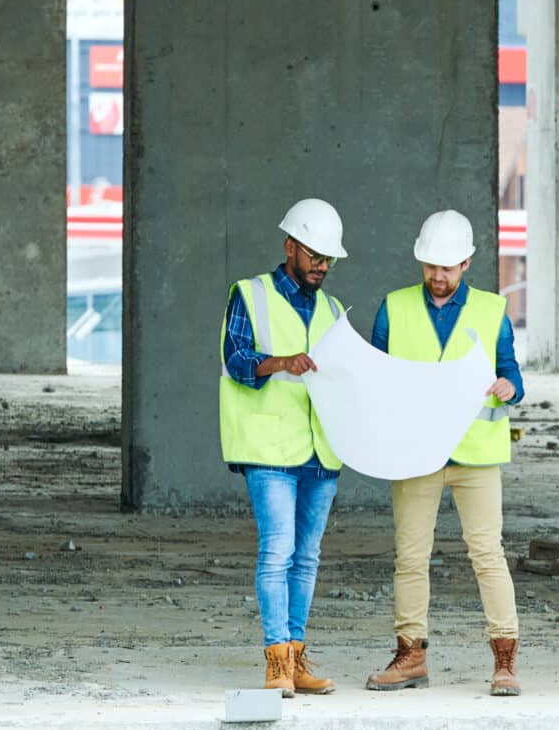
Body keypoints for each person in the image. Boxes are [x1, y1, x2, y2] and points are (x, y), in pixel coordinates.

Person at [364, 209, 526, 696]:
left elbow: (512, 372)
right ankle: (411, 656)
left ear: (467, 263)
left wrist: (509, 388)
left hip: (476, 456)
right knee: (410, 557)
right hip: (415, 454)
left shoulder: (492, 311)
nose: (437, 275)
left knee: (487, 556)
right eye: (431, 265)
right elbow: (374, 375)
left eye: (448, 267)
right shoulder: (394, 308)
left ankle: (505, 661)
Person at [220, 198, 350, 695]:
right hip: (270, 447)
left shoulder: (334, 310)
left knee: (308, 556)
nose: (321, 265)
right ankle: (276, 661)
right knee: (277, 551)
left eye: (328, 259)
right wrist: (281, 363)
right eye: (314, 254)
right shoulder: (249, 295)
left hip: (320, 449)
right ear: (290, 246)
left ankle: (296, 657)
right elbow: (235, 359)